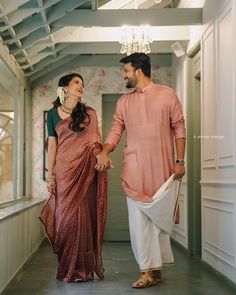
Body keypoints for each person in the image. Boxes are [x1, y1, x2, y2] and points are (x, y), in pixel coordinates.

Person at [95, 53, 186, 288]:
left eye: (126, 71)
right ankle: (146, 270)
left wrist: (181, 161)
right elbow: (116, 131)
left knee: (157, 221)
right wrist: (105, 151)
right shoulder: (124, 102)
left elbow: (179, 128)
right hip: (134, 169)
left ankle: (155, 271)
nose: (123, 76)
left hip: (164, 169)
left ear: (138, 71)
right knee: (138, 224)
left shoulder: (167, 95)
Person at [40, 73, 107, 283]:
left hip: (84, 171)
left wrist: (100, 156)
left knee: (82, 218)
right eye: (76, 83)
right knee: (64, 221)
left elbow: (95, 142)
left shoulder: (89, 113)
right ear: (65, 88)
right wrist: (50, 175)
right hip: (64, 171)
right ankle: (67, 267)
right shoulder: (52, 114)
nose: (81, 86)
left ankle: (82, 270)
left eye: (83, 84)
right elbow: (52, 146)